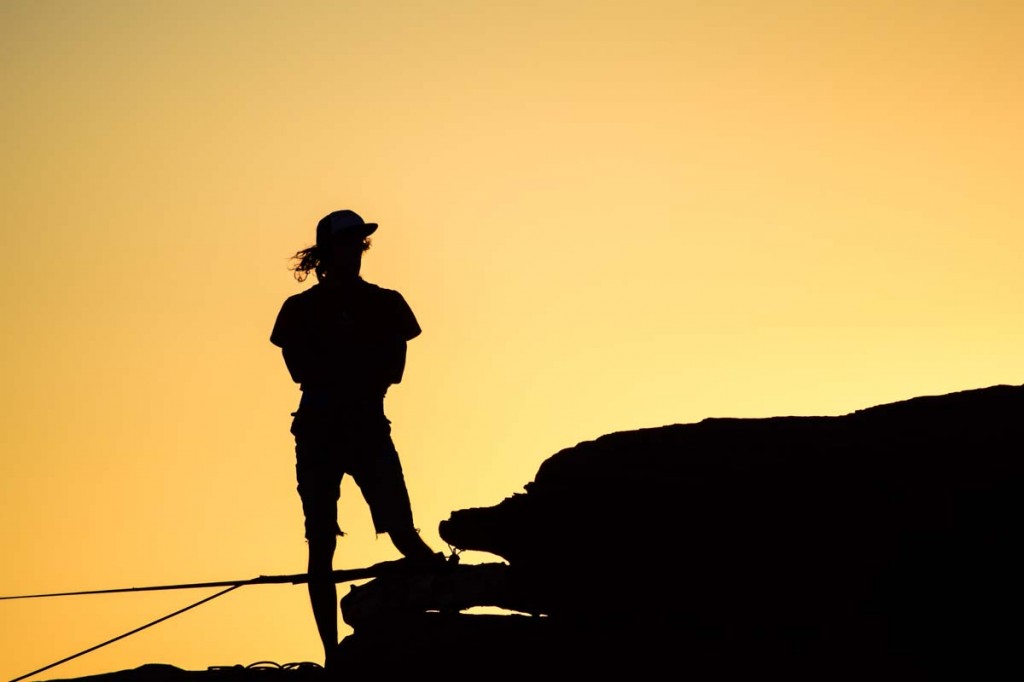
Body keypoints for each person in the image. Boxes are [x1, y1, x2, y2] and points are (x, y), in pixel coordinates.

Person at [270, 209, 439, 666]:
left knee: (403, 532)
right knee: (321, 545)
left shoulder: (386, 303)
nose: (354, 252)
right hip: (322, 431)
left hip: (363, 428)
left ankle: (437, 625)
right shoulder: (300, 309)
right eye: (346, 244)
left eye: (358, 244)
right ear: (327, 254)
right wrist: (354, 361)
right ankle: (330, 659)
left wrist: (342, 362)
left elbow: (392, 372)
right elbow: (300, 370)